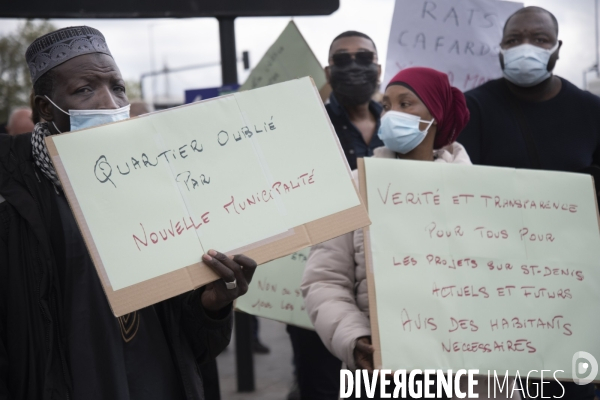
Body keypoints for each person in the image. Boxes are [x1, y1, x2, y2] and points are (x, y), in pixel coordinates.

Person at [0, 26, 258, 400]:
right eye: (85, 89)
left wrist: (211, 306)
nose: (109, 103)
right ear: (45, 107)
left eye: (117, 87)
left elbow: (194, 345)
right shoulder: (13, 199)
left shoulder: (158, 184)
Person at [302, 67, 517, 399]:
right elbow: (324, 280)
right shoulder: (356, 186)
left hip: (470, 377)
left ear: (437, 114)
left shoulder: (484, 193)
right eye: (387, 105)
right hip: (383, 375)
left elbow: (514, 283)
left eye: (407, 104)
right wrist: (356, 340)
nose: (392, 115)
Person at [458, 8, 598, 399]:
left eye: (539, 39)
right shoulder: (474, 109)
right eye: (514, 39)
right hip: (492, 296)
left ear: (557, 48)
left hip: (571, 302)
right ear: (500, 48)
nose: (525, 48)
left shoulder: (591, 111)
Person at [286, 30, 383, 400]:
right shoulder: (305, 127)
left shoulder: (399, 128)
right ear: (329, 71)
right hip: (321, 285)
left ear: (378, 66)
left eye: (363, 57)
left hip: (382, 298)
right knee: (322, 387)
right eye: (342, 60)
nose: (353, 66)